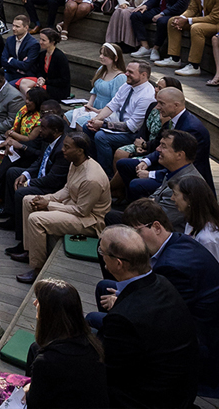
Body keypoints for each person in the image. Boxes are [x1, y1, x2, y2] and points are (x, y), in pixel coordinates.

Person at [94, 225, 199, 409]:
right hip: (180, 389)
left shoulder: (123, 318)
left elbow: (106, 372)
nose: (101, 255)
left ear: (118, 263)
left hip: (148, 400)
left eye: (102, 251)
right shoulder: (163, 282)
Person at [14, 132, 111, 283]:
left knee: (36, 219)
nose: (62, 150)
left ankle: (38, 268)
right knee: (28, 200)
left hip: (89, 221)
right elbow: (67, 190)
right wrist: (46, 198)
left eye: (67, 147)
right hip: (73, 207)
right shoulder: (75, 162)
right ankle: (30, 251)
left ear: (80, 150)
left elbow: (82, 211)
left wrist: (49, 205)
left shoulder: (92, 179)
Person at [24, 279, 108, 409]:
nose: (35, 303)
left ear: (49, 313)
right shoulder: (94, 344)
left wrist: (29, 388)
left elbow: (35, 404)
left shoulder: (46, 362)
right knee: (34, 348)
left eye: (39, 301)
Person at [115, 86, 213, 190]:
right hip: (166, 164)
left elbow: (184, 166)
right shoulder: (172, 121)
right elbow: (160, 147)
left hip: (184, 179)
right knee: (123, 164)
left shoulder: (192, 129)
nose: (157, 107)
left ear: (176, 105)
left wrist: (151, 174)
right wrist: (146, 161)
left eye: (162, 103)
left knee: (136, 184)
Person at [0, 115, 70, 244]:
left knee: (21, 192)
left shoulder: (61, 150)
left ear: (56, 130)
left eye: (44, 128)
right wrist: (25, 174)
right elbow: (40, 161)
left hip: (52, 187)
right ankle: (11, 215)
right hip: (41, 175)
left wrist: (28, 182)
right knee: (13, 173)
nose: (40, 131)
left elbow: (53, 179)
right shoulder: (48, 139)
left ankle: (22, 240)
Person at [115, 129, 207, 228]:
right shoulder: (173, 171)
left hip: (167, 233)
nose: (158, 149)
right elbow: (152, 200)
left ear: (179, 155)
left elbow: (162, 220)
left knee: (114, 220)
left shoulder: (186, 185)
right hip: (155, 222)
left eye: (163, 146)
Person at [82, 60, 156, 174]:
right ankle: (92, 165)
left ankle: (106, 173)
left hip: (134, 134)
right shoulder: (127, 85)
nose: (126, 74)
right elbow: (112, 105)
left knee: (101, 137)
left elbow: (132, 126)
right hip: (120, 124)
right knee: (87, 127)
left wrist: (102, 124)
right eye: (126, 71)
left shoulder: (146, 96)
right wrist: (96, 120)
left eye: (130, 72)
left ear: (143, 75)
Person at [0, 87, 45, 200]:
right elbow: (15, 128)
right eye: (26, 98)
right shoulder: (24, 111)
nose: (26, 101)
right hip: (15, 144)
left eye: (30, 100)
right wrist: (8, 141)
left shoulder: (40, 119)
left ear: (37, 101)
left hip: (27, 149)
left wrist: (11, 136)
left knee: (8, 156)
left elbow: (29, 139)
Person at [159, 0, 219, 76]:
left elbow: (214, 18)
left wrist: (188, 20)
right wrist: (181, 17)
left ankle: (194, 66)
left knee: (197, 28)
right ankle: (174, 58)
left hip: (215, 24)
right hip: (203, 20)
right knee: (173, 20)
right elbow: (192, 8)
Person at [67, 43, 126, 129]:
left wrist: (98, 111)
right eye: (101, 54)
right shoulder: (101, 70)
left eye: (105, 55)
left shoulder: (120, 77)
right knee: (67, 116)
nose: (101, 56)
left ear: (115, 58)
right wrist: (89, 105)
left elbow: (116, 102)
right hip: (94, 107)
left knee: (81, 122)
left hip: (107, 112)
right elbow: (94, 91)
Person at [172, 174, 219, 262]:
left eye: (175, 194)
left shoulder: (207, 239)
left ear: (189, 199)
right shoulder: (191, 222)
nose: (172, 198)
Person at [16, 27, 70, 102]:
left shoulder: (60, 57)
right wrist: (40, 78)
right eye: (40, 39)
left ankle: (34, 103)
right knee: (23, 82)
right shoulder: (43, 54)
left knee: (36, 91)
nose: (40, 42)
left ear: (52, 42)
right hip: (45, 82)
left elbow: (64, 80)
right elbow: (40, 71)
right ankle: (30, 102)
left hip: (57, 88)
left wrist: (45, 82)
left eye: (43, 40)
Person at [1, 14, 41, 85]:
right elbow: (3, 60)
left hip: (25, 76)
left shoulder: (33, 44)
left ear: (26, 28)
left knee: (7, 87)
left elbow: (26, 66)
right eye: (13, 25)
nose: (13, 28)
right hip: (10, 72)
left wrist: (10, 60)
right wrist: (18, 65)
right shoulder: (10, 40)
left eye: (17, 26)